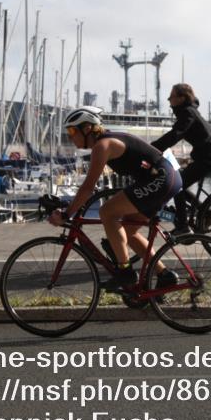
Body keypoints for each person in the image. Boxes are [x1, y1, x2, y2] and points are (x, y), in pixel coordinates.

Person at [50, 106, 181, 292]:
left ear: (87, 129)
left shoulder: (103, 146)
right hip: (164, 177)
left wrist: (66, 213)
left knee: (107, 212)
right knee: (128, 232)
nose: (70, 136)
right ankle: (165, 275)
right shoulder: (106, 142)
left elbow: (88, 187)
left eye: (72, 131)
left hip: (161, 178)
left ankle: (125, 272)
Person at [151, 84, 211, 234]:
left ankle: (183, 226)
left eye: (171, 97)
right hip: (206, 157)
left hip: (208, 158)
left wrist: (152, 148)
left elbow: (175, 134)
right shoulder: (188, 111)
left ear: (181, 98)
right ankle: (207, 212)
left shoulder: (188, 113)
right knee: (179, 183)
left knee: (176, 185)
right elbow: (175, 135)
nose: (169, 100)